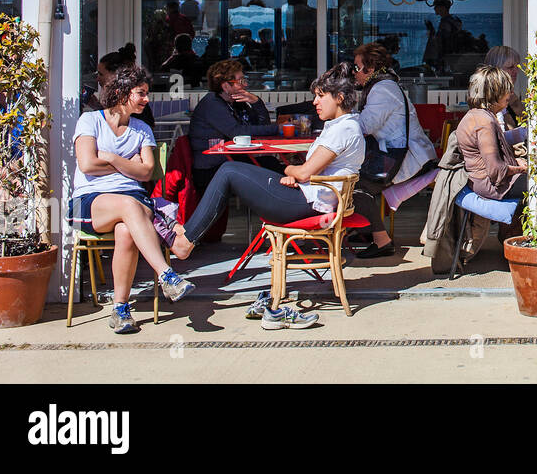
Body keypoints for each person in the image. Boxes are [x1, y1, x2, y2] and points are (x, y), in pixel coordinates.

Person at [172, 64, 368, 330]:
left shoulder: (343, 129)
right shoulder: (344, 125)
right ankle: (190, 236)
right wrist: (295, 174)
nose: (315, 102)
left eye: (321, 96)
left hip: (307, 205)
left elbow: (305, 171)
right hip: (310, 198)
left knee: (229, 170)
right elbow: (307, 173)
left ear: (340, 98)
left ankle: (187, 240)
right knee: (236, 171)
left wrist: (290, 170)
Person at [70, 66, 194, 333]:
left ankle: (120, 310)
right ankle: (167, 275)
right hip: (90, 202)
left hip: (132, 200)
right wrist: (128, 164)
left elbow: (147, 171)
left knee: (126, 230)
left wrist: (112, 158)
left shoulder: (141, 128)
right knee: (129, 207)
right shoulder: (90, 121)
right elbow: (87, 164)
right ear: (122, 93)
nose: (147, 100)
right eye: (141, 94)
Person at [350, 42, 438, 258]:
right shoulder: (383, 86)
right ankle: (363, 229)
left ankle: (381, 241)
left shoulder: (382, 90)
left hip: (406, 159)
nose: (354, 73)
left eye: (357, 67)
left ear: (369, 69)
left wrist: (340, 117)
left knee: (355, 185)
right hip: (395, 153)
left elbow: (365, 126)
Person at [188, 60, 282, 205]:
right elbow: (238, 132)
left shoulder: (236, 102)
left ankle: (281, 213)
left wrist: (256, 102)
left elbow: (262, 125)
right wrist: (278, 129)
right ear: (225, 86)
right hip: (212, 169)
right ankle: (281, 213)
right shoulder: (212, 104)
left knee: (272, 164)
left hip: (231, 161)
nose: (245, 84)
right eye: (240, 81)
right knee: (273, 168)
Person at [456, 66, 528, 202]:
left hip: (480, 182)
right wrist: (520, 168)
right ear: (494, 92)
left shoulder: (476, 115)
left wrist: (515, 162)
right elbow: (496, 171)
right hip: (493, 187)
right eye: (507, 89)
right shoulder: (485, 122)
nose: (511, 93)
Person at [82, 44, 157, 129]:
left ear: (115, 75)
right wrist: (98, 107)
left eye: (101, 74)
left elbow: (116, 124)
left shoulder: (132, 100)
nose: (97, 79)